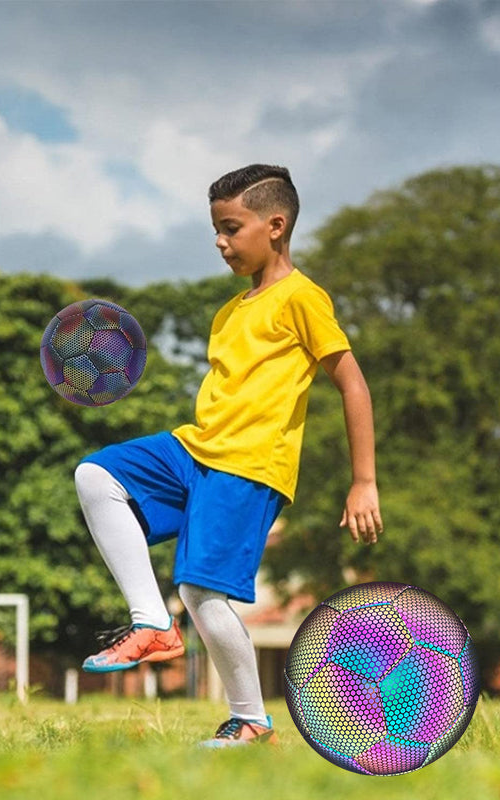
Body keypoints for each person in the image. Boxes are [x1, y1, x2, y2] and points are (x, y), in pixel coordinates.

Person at [74, 163, 383, 747]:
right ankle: (152, 624)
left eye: (230, 227)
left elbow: (353, 385)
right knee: (96, 474)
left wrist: (363, 481)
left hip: (248, 464)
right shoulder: (230, 311)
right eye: (215, 228)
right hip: (197, 449)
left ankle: (251, 721)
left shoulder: (303, 298)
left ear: (275, 225)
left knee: (200, 591)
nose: (220, 240)